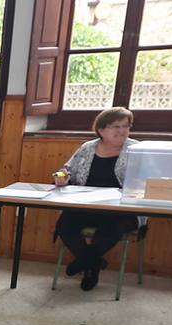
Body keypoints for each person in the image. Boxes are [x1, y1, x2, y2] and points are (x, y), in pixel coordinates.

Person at [52, 107, 139, 292]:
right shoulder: (87, 148)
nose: (122, 131)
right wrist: (61, 176)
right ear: (101, 129)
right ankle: (92, 262)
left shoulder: (138, 150)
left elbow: (150, 180)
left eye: (126, 126)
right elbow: (65, 169)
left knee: (112, 229)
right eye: (116, 126)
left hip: (121, 209)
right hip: (87, 205)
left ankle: (86, 264)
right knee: (65, 224)